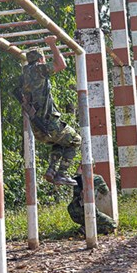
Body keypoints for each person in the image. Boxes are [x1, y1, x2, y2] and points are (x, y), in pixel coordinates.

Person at [21, 35, 81, 186]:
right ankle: (62, 173)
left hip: (38, 129)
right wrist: (52, 44)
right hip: (49, 124)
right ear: (41, 59)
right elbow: (61, 65)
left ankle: (51, 171)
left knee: (60, 143)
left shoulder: (25, 74)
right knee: (75, 140)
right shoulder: (38, 69)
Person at [67, 165, 117, 235]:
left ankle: (84, 228)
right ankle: (87, 230)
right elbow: (105, 191)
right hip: (89, 210)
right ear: (93, 166)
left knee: (89, 220)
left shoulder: (75, 179)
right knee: (112, 225)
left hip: (74, 212)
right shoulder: (97, 178)